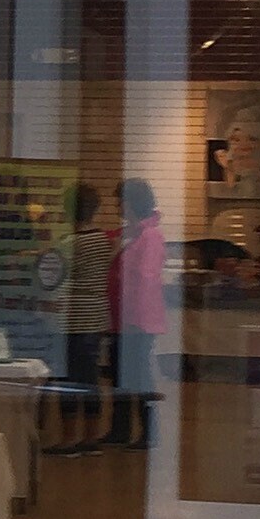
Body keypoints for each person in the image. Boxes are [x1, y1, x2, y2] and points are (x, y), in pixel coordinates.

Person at [106, 177, 168, 451]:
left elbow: (147, 279)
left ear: (130, 202)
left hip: (138, 320)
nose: (117, 205)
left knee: (139, 376)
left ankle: (148, 431)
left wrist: (135, 321)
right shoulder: (131, 234)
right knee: (121, 376)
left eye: (120, 200)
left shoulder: (150, 236)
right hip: (123, 317)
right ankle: (119, 429)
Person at [52, 184, 114, 451]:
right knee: (90, 378)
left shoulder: (70, 243)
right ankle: (91, 437)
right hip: (97, 314)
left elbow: (53, 275)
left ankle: (69, 439)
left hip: (71, 317)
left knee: (68, 379)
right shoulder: (104, 240)